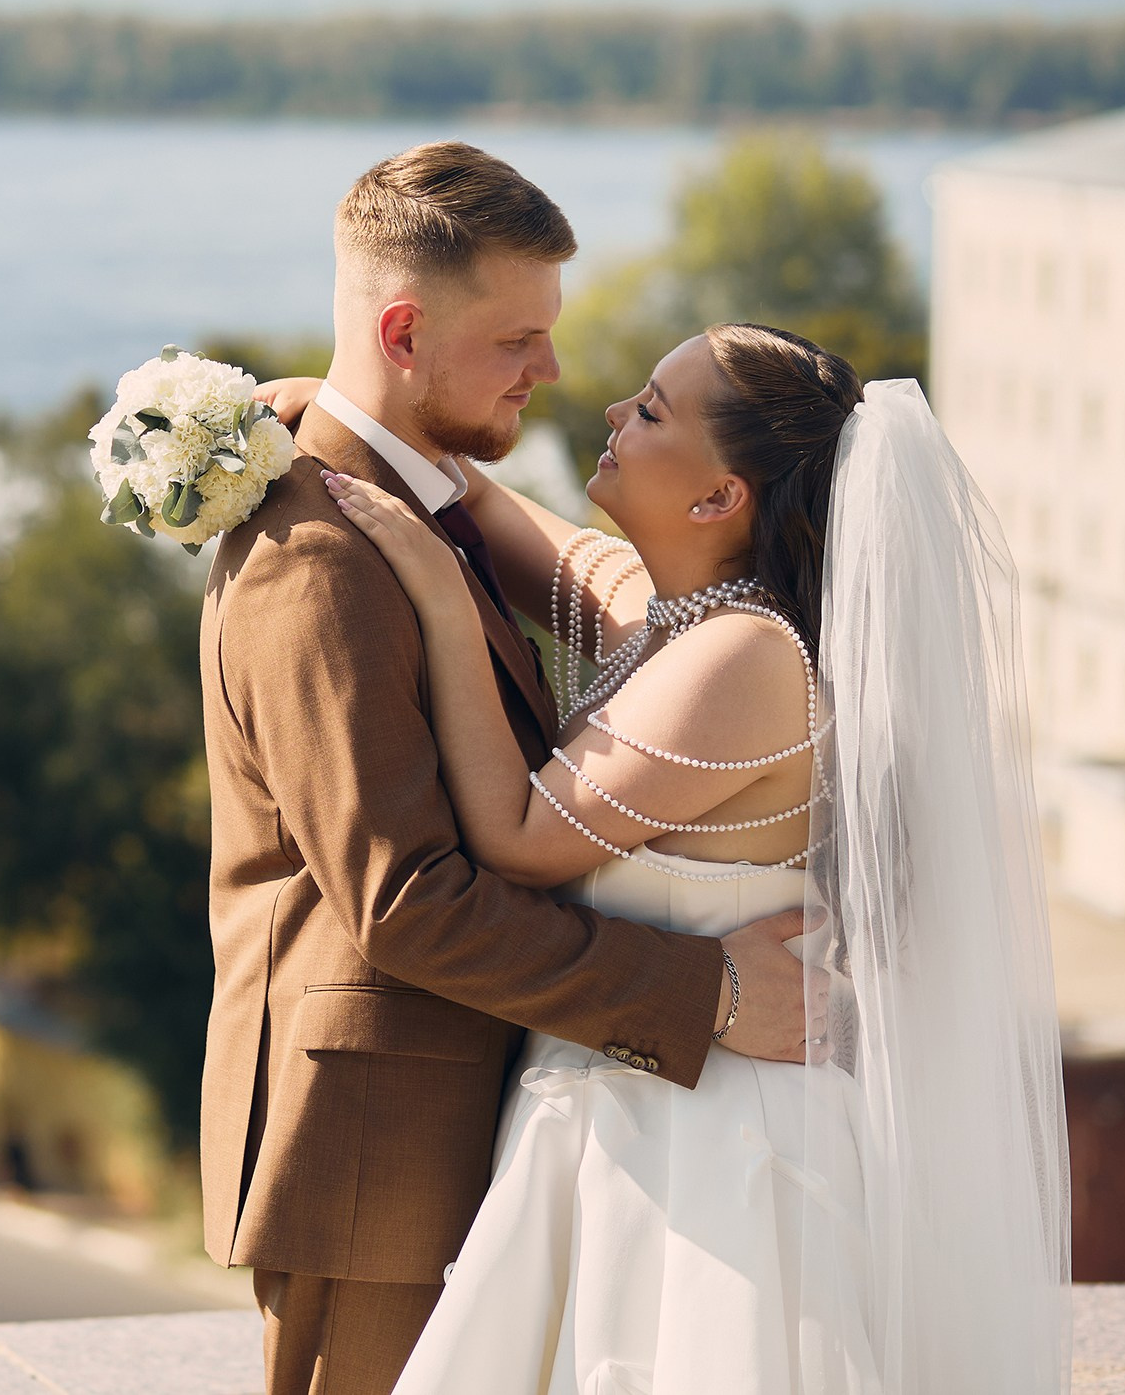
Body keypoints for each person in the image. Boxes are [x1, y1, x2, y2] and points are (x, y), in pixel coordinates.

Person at [315, 323, 1071, 1391]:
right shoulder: (673, 620)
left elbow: (521, 841)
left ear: (720, 499)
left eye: (655, 410)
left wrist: (440, 603)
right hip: (640, 1102)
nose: (615, 411)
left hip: (707, 1148)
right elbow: (481, 506)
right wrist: (331, 404)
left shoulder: (745, 659)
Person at [197, 141, 820, 1395]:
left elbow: (544, 547)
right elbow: (404, 902)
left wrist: (334, 404)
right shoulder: (321, 554)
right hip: (375, 1150)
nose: (554, 372)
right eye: (516, 341)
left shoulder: (426, 508)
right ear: (405, 329)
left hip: (514, 1125)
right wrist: (709, 993)